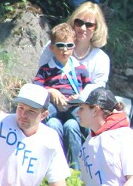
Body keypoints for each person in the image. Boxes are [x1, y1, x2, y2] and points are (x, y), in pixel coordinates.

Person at [34, 22, 91, 156]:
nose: (65, 50)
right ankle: (53, 161)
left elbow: (90, 90)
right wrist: (50, 91)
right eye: (60, 46)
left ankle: (83, 158)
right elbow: (36, 88)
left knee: (76, 122)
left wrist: (79, 97)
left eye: (69, 46)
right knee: (50, 121)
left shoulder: (80, 68)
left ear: (74, 47)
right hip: (54, 105)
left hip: (73, 106)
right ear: (52, 48)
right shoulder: (45, 69)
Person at [37, 1, 111, 87]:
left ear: (97, 28)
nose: (83, 28)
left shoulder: (101, 59)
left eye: (89, 25)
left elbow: (97, 91)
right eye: (79, 23)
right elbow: (40, 77)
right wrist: (50, 91)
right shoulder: (55, 46)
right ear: (73, 23)